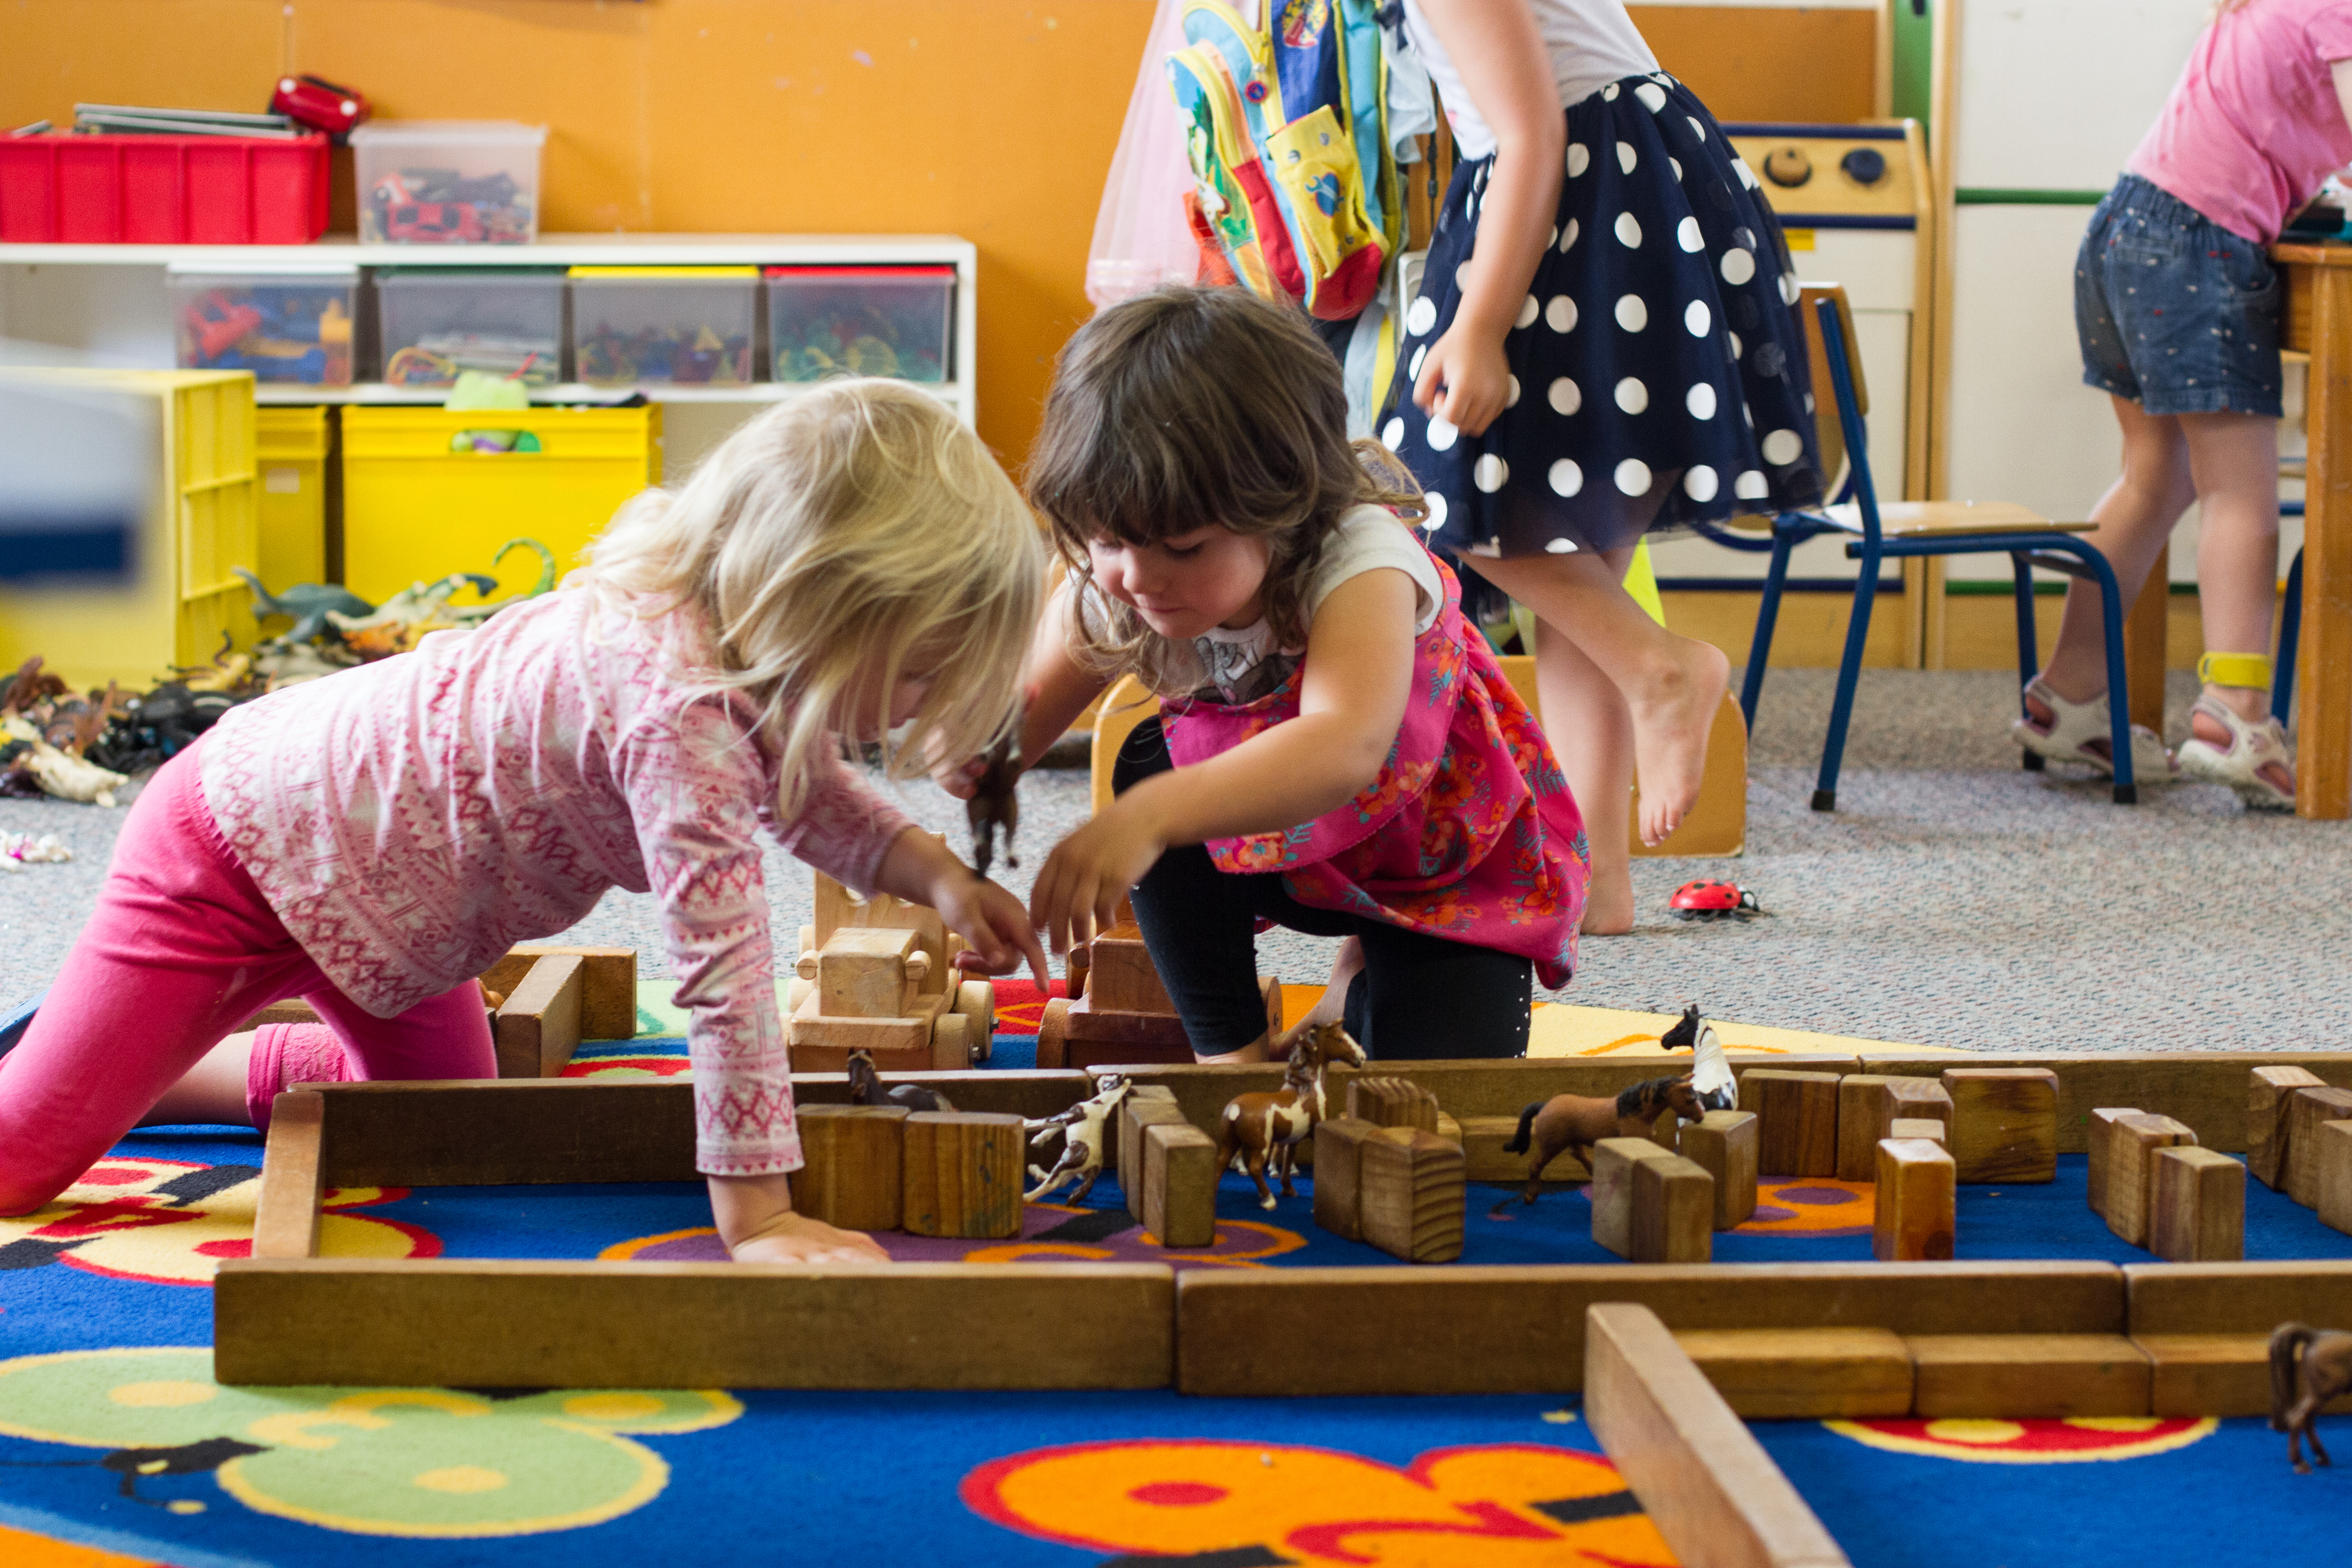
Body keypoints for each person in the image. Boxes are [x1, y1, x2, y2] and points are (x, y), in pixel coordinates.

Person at [0, 381, 1050, 1264]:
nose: (920, 704)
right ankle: (90, 1062)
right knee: (20, 1164)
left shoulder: (731, 641)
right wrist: (759, 1215)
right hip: (240, 854)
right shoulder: (677, 717)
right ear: (816, 606)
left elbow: (806, 787)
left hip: (390, 918)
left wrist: (935, 875)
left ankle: (132, 1062)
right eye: (916, 671)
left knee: (446, 1131)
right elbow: (724, 975)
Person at [959, 285, 1588, 1063]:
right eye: (1106, 541)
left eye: (1182, 549)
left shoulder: (1360, 558)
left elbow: (1343, 747)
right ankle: (1232, 1054)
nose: (1136, 577)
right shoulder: (1124, 571)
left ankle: (1365, 963)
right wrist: (977, 772)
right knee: (1145, 766)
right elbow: (1011, 724)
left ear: (1287, 506)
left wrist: (1151, 816)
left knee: (1438, 1100)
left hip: (1430, 858)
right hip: (1283, 856)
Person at [1384, 0, 1823, 933]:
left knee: (1428, 497)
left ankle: (1661, 668)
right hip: (1616, 180)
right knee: (1572, 548)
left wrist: (1482, 326)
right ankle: (1597, 877)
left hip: (1579, 193)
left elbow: (1533, 132)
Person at [2024, 0, 2352, 809]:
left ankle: (2064, 694)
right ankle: (2235, 714)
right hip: (2196, 243)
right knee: (2239, 491)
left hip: (2126, 227)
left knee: (2155, 476)